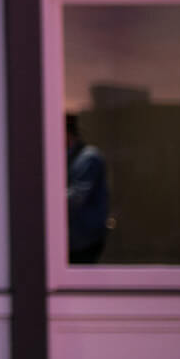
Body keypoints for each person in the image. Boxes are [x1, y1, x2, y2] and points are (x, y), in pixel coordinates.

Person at [65, 114, 110, 265]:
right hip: (75, 238)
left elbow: (75, 197)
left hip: (84, 239)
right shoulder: (68, 157)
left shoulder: (88, 158)